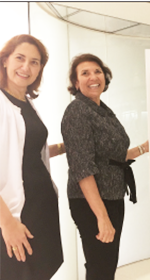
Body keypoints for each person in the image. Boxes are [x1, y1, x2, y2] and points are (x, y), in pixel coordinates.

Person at [61, 53, 149, 280]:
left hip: (112, 196)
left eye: (97, 71)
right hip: (92, 202)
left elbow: (112, 156)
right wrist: (101, 216)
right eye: (85, 73)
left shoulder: (102, 110)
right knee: (101, 268)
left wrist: (145, 148)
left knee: (105, 265)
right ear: (76, 82)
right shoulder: (78, 111)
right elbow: (82, 168)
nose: (93, 77)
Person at [0, 34, 64, 279]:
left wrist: (64, 147)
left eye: (35, 62)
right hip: (14, 214)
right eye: (20, 58)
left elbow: (23, 151)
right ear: (5, 60)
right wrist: (7, 223)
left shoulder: (26, 102)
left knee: (40, 271)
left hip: (41, 208)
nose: (26, 67)